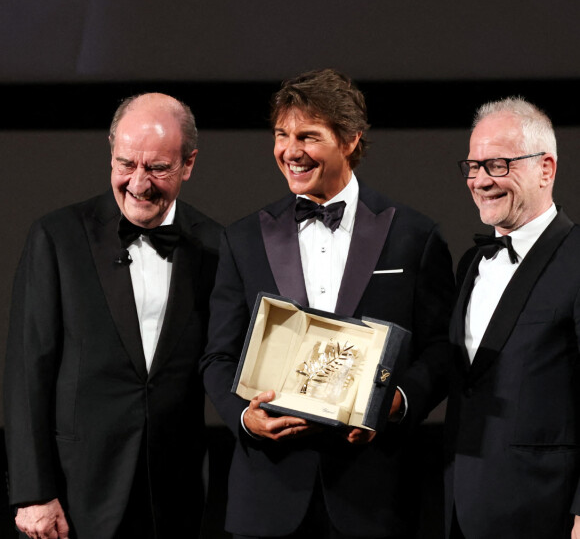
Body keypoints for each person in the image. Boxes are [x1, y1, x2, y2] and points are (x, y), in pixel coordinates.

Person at [201, 68, 454, 539]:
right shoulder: (242, 239)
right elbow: (218, 355)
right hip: (268, 496)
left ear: (351, 139)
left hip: (374, 496)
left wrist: (393, 404)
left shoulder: (414, 237)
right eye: (282, 134)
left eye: (308, 136)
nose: (290, 150)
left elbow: (441, 349)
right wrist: (244, 417)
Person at [4, 93, 222, 539]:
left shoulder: (216, 246)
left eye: (157, 168)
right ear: (111, 150)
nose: (139, 184)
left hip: (174, 497)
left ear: (189, 163)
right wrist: (32, 493)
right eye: (126, 164)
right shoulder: (58, 237)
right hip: (76, 495)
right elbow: (28, 372)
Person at [445, 97, 580, 538]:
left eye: (499, 164)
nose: (481, 180)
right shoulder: (471, 264)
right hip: (463, 506)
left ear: (546, 169)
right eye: (473, 166)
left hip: (546, 512)